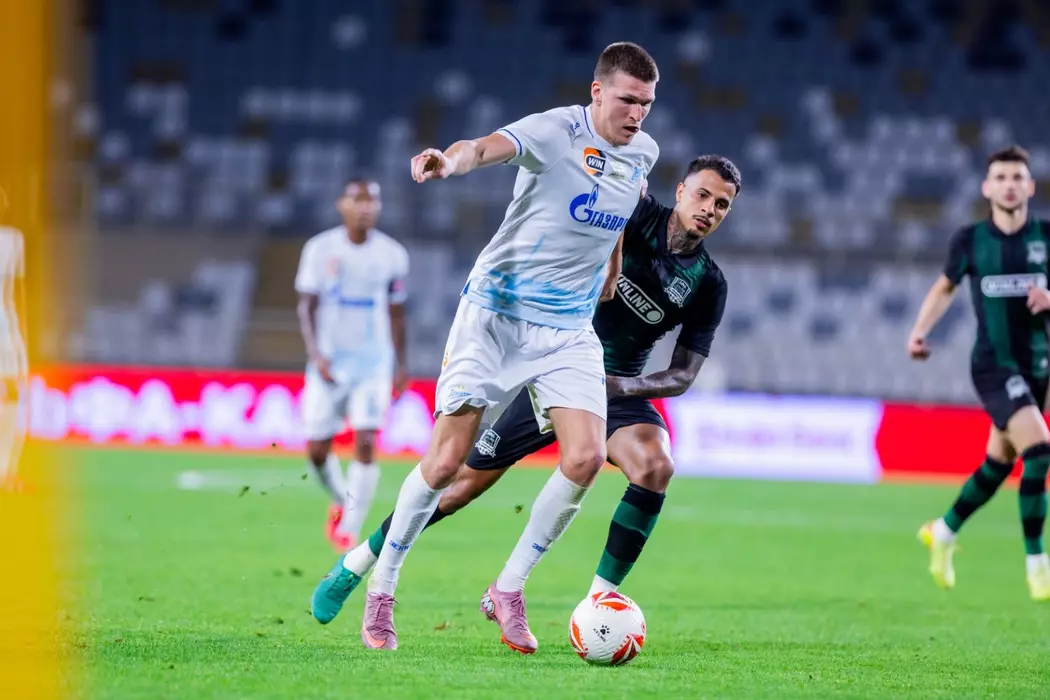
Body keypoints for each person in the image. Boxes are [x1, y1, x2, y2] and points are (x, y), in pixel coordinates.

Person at [310, 41, 661, 650]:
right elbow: (482, 147)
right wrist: (449, 162)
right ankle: (381, 588)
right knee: (446, 463)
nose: (637, 114)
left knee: (583, 459)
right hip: (495, 315)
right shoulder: (556, 132)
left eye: (647, 104)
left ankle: (508, 588)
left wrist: (611, 266)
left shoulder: (643, 152)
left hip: (568, 329)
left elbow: (621, 205)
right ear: (598, 91)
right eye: (628, 100)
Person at [314, 156, 738, 653]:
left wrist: (621, 387)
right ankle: (359, 562)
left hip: (612, 387)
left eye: (722, 204)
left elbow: (684, 374)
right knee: (457, 486)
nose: (709, 209)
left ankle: (597, 604)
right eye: (703, 195)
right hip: (551, 360)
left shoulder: (708, 283)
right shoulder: (635, 211)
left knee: (655, 465)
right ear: (681, 190)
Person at [909, 145, 1050, 600]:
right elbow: (944, 287)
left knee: (998, 464)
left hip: (1039, 365)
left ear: (1030, 186)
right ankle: (1038, 564)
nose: (1009, 185)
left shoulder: (1046, 237)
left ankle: (944, 531)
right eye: (1001, 177)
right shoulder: (970, 240)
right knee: (1040, 452)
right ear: (987, 187)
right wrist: (919, 332)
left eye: (1017, 177)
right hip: (993, 364)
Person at [295, 179, 409, 551]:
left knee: (366, 442)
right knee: (317, 450)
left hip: (373, 364)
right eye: (358, 199)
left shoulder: (392, 254)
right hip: (329, 363)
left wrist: (400, 365)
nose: (365, 207)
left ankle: (350, 528)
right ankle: (341, 500)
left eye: (372, 200)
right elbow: (307, 306)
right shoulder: (319, 249)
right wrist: (316, 355)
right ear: (341, 204)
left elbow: (397, 313)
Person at [0, 185, 26, 492]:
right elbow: (11, 295)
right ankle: (5, 471)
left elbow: (11, 295)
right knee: (11, 395)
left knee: (12, 394)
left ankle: (6, 470)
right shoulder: (11, 239)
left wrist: (18, 334)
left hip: (3, 326)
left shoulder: (11, 239)